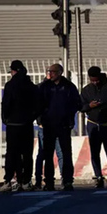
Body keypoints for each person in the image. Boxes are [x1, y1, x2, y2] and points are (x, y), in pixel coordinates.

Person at [38, 63, 81, 191]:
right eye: (49, 71)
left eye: (53, 72)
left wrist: (68, 117)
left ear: (60, 73)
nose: (50, 74)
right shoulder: (44, 87)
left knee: (66, 154)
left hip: (63, 126)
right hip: (49, 126)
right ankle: (49, 182)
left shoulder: (68, 87)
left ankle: (67, 180)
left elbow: (76, 103)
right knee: (48, 154)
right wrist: (41, 119)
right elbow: (38, 104)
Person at [81, 66, 107, 189]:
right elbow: (80, 106)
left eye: (96, 80)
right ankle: (98, 177)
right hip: (93, 124)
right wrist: (89, 105)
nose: (95, 83)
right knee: (95, 152)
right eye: (92, 80)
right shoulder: (86, 90)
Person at [0, 60, 38, 193]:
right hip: (26, 124)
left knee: (12, 153)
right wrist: (31, 117)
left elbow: (6, 104)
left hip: (13, 124)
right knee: (27, 153)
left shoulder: (10, 85)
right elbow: (37, 105)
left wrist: (6, 118)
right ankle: (26, 180)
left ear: (14, 71)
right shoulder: (31, 86)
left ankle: (10, 180)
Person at [33, 70, 63, 189]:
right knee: (44, 153)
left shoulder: (60, 88)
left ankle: (62, 178)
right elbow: (37, 107)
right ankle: (39, 178)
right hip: (45, 126)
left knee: (58, 153)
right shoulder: (41, 88)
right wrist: (41, 121)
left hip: (56, 125)